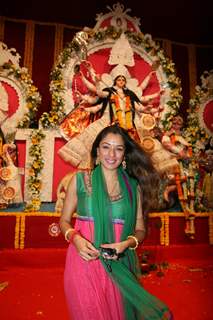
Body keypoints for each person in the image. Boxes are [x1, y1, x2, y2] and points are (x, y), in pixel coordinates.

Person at [60, 124, 173, 320]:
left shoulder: (132, 187)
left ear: (124, 154)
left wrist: (126, 244)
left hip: (118, 265)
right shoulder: (79, 181)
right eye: (106, 147)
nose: (111, 154)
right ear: (97, 150)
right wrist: (75, 238)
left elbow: (140, 230)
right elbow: (64, 221)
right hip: (83, 261)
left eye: (118, 148)